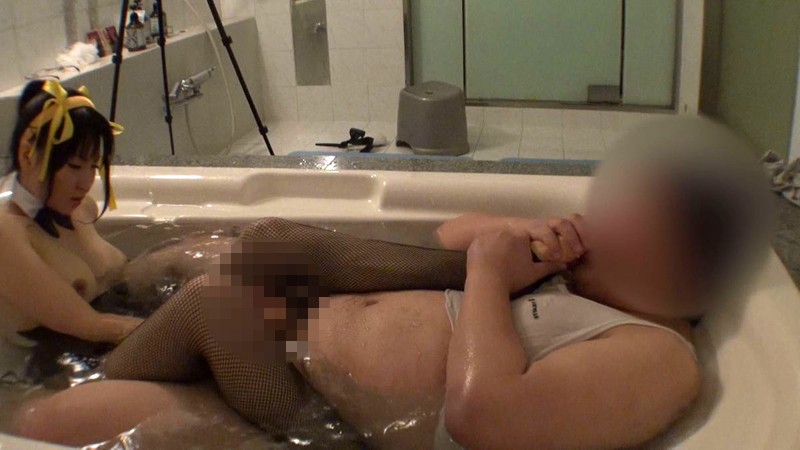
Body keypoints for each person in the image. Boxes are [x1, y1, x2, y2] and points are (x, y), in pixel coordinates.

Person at [14, 117, 772, 449]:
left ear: (677, 270)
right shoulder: (592, 283)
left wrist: (490, 275)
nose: (604, 215)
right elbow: (445, 238)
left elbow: (483, 415)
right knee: (247, 247)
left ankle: (84, 342)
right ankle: (98, 316)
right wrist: (527, 243)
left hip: (314, 422)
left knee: (51, 422)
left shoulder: (658, 355)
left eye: (633, 218)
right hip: (280, 352)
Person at [0, 81, 231, 380]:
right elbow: (89, 325)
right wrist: (190, 332)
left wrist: (185, 260)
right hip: (76, 366)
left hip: (125, 327)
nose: (86, 182)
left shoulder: (79, 210)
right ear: (28, 154)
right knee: (223, 325)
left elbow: (120, 281)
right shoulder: (8, 234)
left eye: (93, 166)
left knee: (241, 247)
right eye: (74, 166)